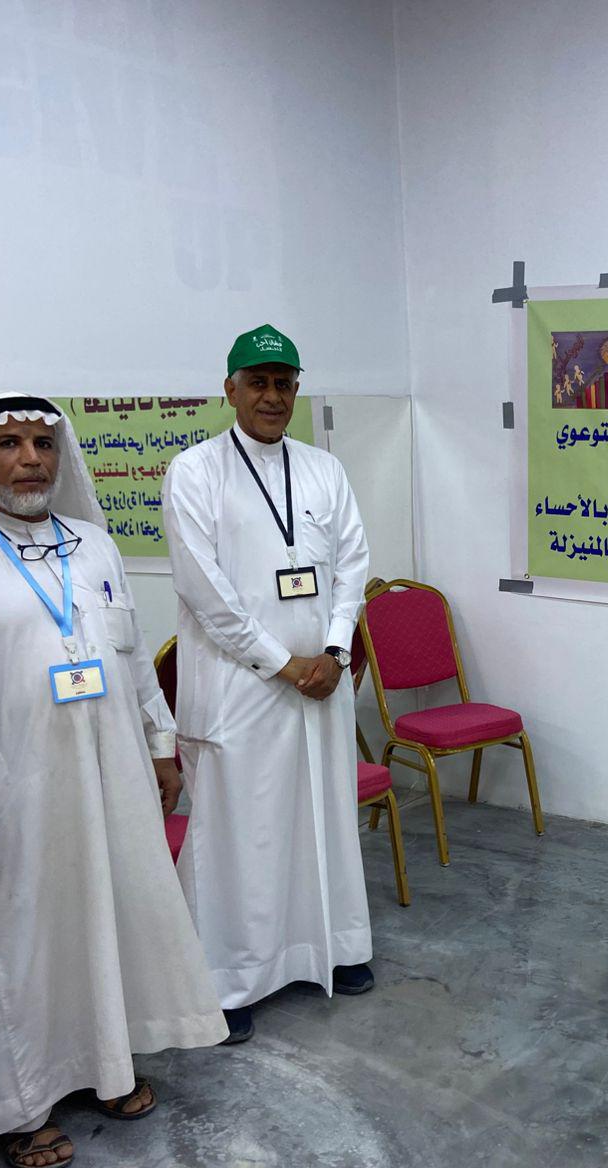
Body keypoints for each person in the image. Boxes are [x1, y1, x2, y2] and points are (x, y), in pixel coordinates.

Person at [0, 392, 224, 1168]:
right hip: (10, 794)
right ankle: (18, 1106)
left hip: (111, 778)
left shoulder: (94, 547)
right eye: (8, 443)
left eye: (43, 444)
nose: (30, 460)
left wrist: (160, 745)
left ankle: (106, 1066)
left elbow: (131, 654)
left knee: (108, 920)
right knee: (16, 946)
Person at [163, 324, 372, 1044]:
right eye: (258, 382)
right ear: (231, 389)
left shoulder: (323, 469)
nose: (273, 396)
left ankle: (333, 948)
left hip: (321, 682)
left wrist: (336, 650)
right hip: (241, 687)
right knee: (240, 833)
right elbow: (203, 588)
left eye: (284, 383)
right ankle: (228, 979)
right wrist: (282, 663)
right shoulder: (195, 471)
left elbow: (353, 564)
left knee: (322, 816)